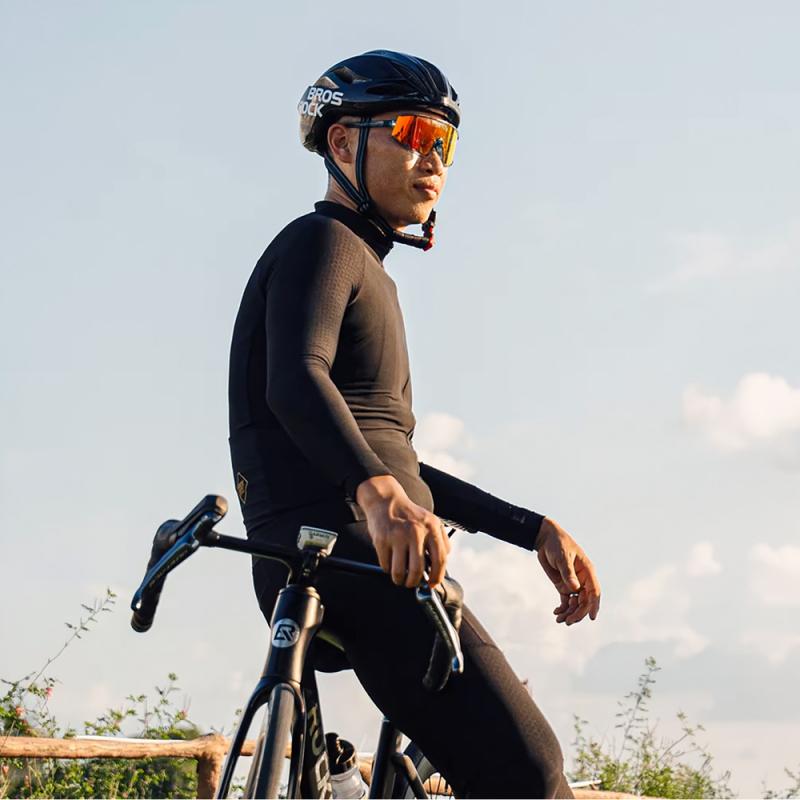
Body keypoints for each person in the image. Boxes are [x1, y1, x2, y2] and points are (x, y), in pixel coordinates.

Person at [227, 49, 601, 799]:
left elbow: (394, 460)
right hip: (358, 556)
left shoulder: (365, 268)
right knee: (532, 773)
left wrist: (531, 528)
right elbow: (295, 380)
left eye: (445, 142)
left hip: (354, 549)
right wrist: (377, 497)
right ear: (342, 143)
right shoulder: (323, 243)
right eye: (410, 132)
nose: (432, 158)